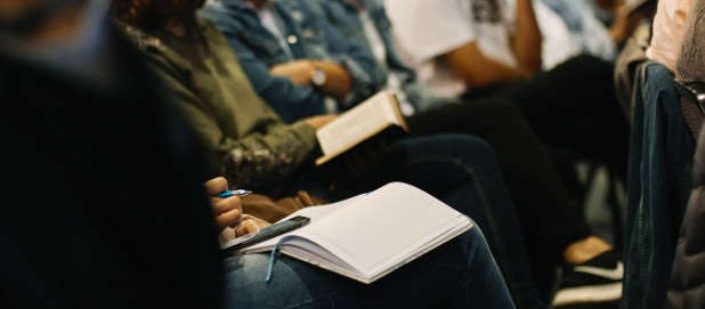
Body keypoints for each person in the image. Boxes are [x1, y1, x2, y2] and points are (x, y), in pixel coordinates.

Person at [111, 0, 535, 307]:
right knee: (454, 234)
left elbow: (353, 77)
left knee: (459, 170)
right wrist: (312, 131)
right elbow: (229, 161)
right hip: (260, 194)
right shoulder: (139, 52)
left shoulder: (205, 29)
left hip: (281, 181)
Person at [202, 0, 623, 305]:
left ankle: (601, 251)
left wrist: (319, 74)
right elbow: (280, 99)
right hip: (318, 147)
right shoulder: (226, 20)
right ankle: (558, 269)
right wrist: (325, 86)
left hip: (361, 122)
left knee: (538, 121)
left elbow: (364, 73)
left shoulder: (293, 11)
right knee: (483, 136)